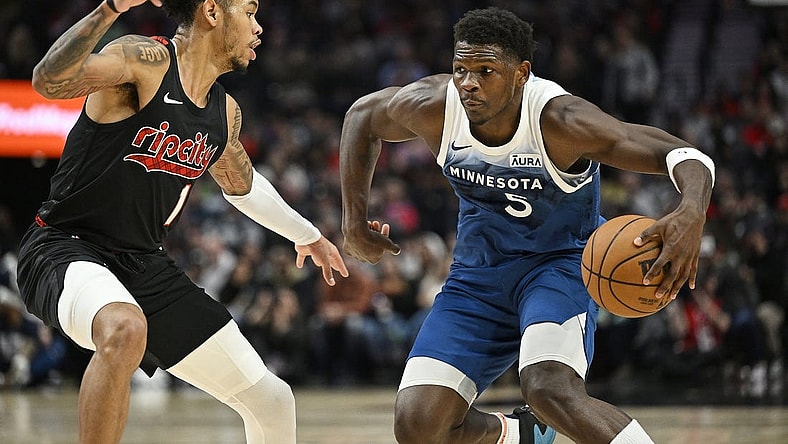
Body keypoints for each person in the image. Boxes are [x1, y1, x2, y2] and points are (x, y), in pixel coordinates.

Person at [339, 7, 714, 444]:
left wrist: (691, 211)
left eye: (485, 71)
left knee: (548, 388)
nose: (469, 83)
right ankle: (524, 435)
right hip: (476, 279)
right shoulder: (435, 108)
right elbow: (362, 117)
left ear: (521, 73)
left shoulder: (561, 121)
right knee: (417, 426)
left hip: (557, 268)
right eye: (460, 69)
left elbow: (685, 156)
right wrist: (353, 220)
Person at [16, 1, 348, 443]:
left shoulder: (223, 113)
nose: (259, 27)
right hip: (64, 247)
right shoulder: (143, 61)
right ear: (212, 11)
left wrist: (308, 235)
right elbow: (48, 81)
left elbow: (242, 185)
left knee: (272, 400)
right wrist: (110, 8)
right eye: (249, 12)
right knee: (125, 327)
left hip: (143, 265)